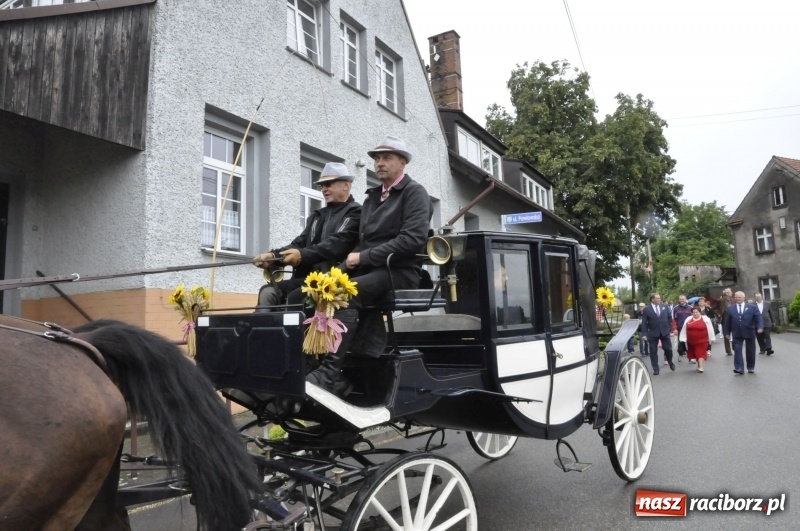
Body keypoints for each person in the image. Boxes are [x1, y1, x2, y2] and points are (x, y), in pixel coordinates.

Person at [306, 136, 433, 395]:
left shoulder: (414, 193)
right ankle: (313, 365)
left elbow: (412, 240)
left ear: (403, 162)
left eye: (386, 158)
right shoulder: (374, 196)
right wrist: (340, 269)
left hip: (400, 271)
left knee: (344, 294)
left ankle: (329, 374)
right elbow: (362, 241)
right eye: (376, 158)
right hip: (371, 269)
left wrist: (362, 258)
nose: (379, 163)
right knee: (316, 292)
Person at [253, 162, 361, 310]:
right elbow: (300, 243)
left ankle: (290, 326)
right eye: (321, 185)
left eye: (328, 184)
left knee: (295, 297)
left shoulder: (356, 212)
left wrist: (302, 255)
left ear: (346, 185)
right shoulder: (318, 215)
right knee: (267, 291)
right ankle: (262, 326)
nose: (324, 189)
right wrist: (273, 257)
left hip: (337, 280)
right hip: (309, 280)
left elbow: (336, 244)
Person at [723, 291, 763, 375]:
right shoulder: (730, 309)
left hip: (749, 332)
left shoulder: (752, 307)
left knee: (750, 350)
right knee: (737, 350)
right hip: (736, 332)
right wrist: (726, 333)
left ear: (744, 298)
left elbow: (758, 318)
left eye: (739, 297)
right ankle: (739, 368)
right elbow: (727, 322)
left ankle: (750, 367)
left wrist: (760, 327)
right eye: (736, 297)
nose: (737, 299)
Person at [641, 293, 676, 375]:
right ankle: (655, 368)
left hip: (665, 332)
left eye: (659, 298)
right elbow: (644, 323)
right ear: (652, 299)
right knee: (653, 352)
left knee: (668, 349)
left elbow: (669, 318)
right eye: (657, 298)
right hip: (653, 333)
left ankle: (670, 362)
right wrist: (644, 334)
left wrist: (670, 329)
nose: (659, 299)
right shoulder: (647, 309)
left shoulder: (664, 306)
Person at [679, 307, 715, 373]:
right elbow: (684, 328)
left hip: (703, 340)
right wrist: (683, 338)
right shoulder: (688, 319)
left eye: (697, 312)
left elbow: (710, 328)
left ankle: (701, 367)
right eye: (694, 312)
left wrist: (712, 338)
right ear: (691, 313)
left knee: (700, 352)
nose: (695, 314)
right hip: (691, 341)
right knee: (695, 353)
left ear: (700, 312)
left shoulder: (706, 319)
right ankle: (699, 365)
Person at [672, 294, 693, 363]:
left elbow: (693, 318)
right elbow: (673, 319)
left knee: (690, 342)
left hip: (689, 328)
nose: (681, 300)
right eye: (680, 299)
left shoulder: (690, 308)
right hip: (680, 328)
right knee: (680, 342)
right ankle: (680, 353)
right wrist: (674, 328)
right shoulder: (675, 308)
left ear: (686, 299)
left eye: (683, 299)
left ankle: (691, 357)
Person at [719, 288, 734, 355]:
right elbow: (714, 307)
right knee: (726, 335)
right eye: (730, 292)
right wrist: (719, 315)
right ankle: (728, 350)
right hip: (725, 319)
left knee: (734, 333)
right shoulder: (721, 300)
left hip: (733, 318)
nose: (732, 293)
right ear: (727, 293)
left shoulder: (732, 300)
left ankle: (734, 347)